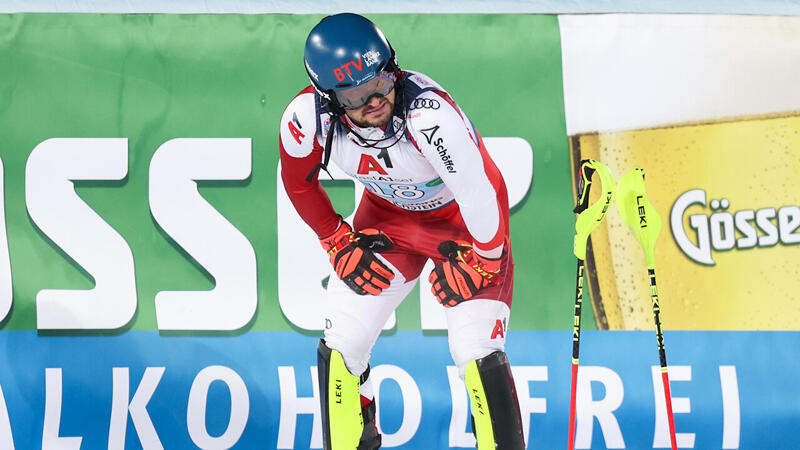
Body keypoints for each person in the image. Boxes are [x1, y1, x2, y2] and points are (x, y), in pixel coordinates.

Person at [279, 13, 526, 449]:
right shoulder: (305, 119)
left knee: (475, 352)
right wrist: (334, 238)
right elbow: (298, 181)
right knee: (342, 345)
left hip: (467, 225)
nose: (374, 99)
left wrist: (487, 258)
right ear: (328, 97)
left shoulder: (431, 118)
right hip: (387, 221)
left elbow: (479, 192)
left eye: (381, 80)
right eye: (356, 93)